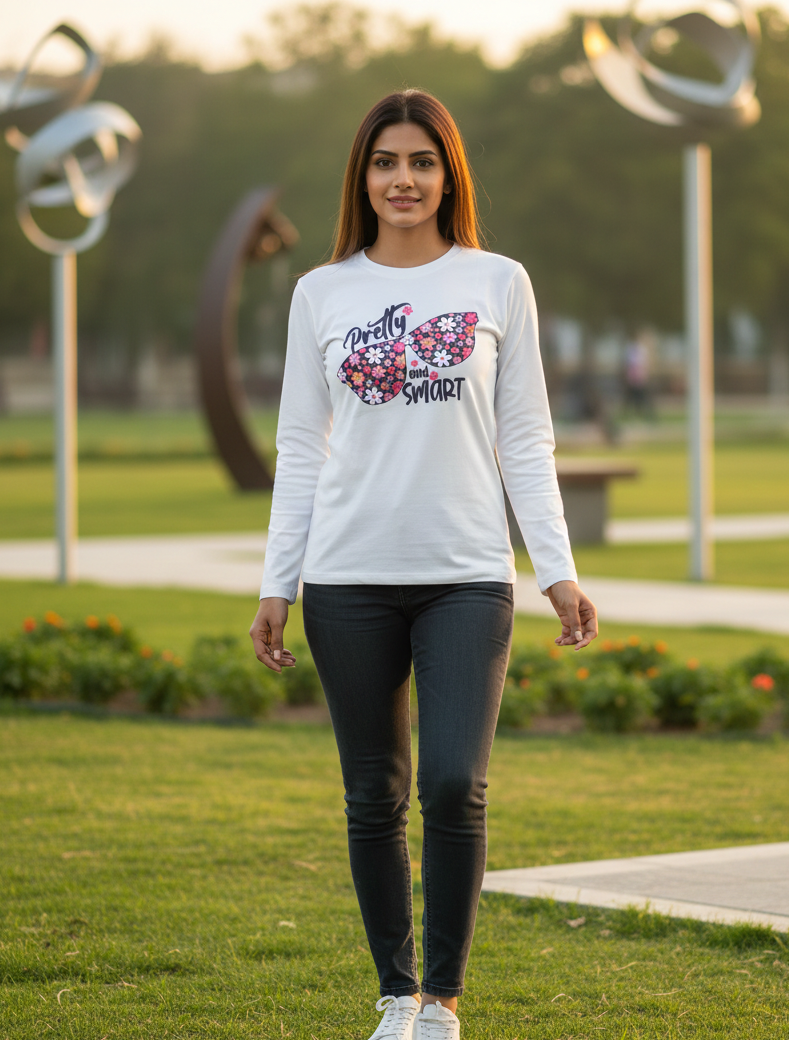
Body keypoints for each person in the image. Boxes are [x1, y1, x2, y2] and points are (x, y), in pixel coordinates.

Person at [250, 89, 598, 1040]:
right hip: (347, 577)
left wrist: (555, 569)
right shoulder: (321, 292)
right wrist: (279, 581)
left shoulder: (498, 282)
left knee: (452, 781)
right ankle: (394, 995)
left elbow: (527, 440)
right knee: (374, 793)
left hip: (465, 576)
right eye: (384, 163)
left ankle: (441, 1000)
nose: (403, 180)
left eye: (422, 162)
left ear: (449, 174)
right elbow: (300, 447)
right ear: (361, 178)